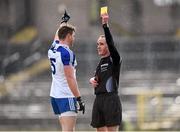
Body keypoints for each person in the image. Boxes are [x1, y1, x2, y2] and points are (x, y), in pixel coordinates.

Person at [48, 11, 85, 131]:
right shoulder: (67, 53)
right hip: (66, 95)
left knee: (69, 129)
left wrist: (63, 23)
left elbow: (57, 36)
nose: (74, 38)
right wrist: (79, 98)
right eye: (73, 36)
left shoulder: (53, 48)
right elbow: (70, 78)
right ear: (69, 36)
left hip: (55, 95)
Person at [89, 13, 122, 131]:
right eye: (97, 44)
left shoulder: (114, 59)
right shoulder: (100, 62)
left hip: (110, 99)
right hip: (99, 99)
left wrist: (105, 26)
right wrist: (92, 80)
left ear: (108, 46)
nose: (98, 46)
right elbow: (98, 78)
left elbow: (111, 44)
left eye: (101, 44)